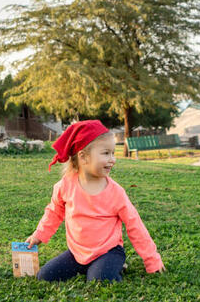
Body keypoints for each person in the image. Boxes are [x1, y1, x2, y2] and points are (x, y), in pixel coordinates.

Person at [24, 120, 165, 282]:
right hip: (77, 253)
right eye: (106, 153)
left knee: (100, 280)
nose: (113, 159)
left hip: (109, 251)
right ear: (83, 157)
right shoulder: (65, 186)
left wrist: (152, 260)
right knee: (45, 276)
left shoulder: (116, 192)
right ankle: (95, 267)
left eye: (113, 153)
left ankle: (113, 265)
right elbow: (54, 212)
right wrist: (39, 235)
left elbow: (135, 226)